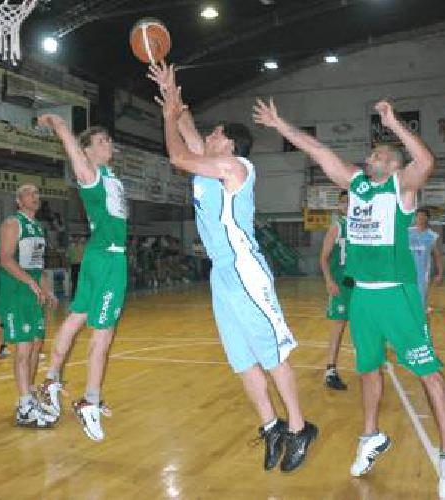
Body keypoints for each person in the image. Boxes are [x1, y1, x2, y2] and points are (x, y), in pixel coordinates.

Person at [254, 97, 445, 497]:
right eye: (371, 153)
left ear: (393, 165)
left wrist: (394, 124)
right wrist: (280, 124)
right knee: (368, 370)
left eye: (378, 153)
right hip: (362, 297)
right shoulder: (356, 184)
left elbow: (426, 162)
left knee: (428, 374)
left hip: (397, 296)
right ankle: (370, 437)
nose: (370, 157)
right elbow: (318, 150)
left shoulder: (402, 190)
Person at [151, 63, 317, 472]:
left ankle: (300, 427)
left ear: (230, 145)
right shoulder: (210, 162)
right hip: (221, 273)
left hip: (245, 270)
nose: (208, 136)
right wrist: (171, 93)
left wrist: (170, 118)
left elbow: (176, 153)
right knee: (242, 360)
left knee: (272, 354)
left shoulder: (235, 168)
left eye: (216, 134)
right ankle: (271, 425)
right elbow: (186, 127)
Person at [34, 113, 128, 441]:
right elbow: (73, 152)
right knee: (103, 335)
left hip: (97, 259)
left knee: (75, 321)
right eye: (101, 141)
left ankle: (50, 380)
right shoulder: (90, 175)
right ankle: (89, 400)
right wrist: (60, 126)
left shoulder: (108, 175)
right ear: (87, 151)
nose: (108, 143)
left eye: (108, 139)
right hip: (108, 261)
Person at [0, 184, 59, 427]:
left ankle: (30, 393)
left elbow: (37, 265)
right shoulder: (13, 223)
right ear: (18, 200)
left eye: (37, 193)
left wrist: (46, 288)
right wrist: (29, 283)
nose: (35, 197)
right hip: (14, 290)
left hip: (31, 290)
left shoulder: (38, 228)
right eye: (29, 193)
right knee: (23, 349)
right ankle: (23, 406)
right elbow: (5, 258)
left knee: (36, 345)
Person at [319, 191, 352, 391]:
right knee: (338, 326)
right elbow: (323, 257)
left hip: (360, 285)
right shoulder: (337, 227)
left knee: (363, 326)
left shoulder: (362, 227)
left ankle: (368, 366)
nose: (347, 205)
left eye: (350, 201)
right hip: (340, 284)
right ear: (340, 206)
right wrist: (329, 280)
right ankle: (330, 370)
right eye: (344, 202)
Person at [409, 208, 444, 314]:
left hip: (422, 271)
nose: (420, 218)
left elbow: (437, 256)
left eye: (423, 215)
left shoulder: (431, 236)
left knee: (421, 293)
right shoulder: (408, 232)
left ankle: (421, 313)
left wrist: (440, 273)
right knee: (407, 292)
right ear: (415, 217)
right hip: (406, 269)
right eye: (418, 215)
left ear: (427, 218)